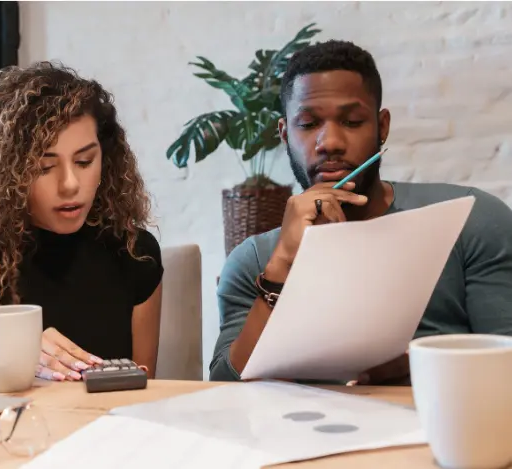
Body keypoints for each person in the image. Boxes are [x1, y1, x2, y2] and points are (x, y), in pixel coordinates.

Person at [209, 40, 512, 384]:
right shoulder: (253, 260)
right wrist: (282, 265)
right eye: (308, 124)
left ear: (382, 127)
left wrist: (418, 364)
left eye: (352, 121)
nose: (330, 142)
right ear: (284, 134)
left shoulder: (472, 219)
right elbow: (224, 388)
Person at [0, 62, 163, 381]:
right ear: (5, 174)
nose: (70, 184)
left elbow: (144, 391)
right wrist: (10, 359)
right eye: (44, 167)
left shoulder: (134, 252)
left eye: (85, 161)